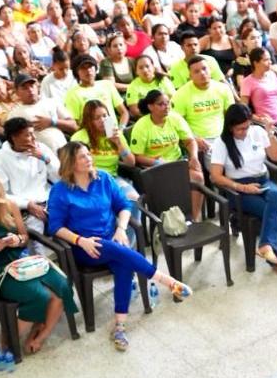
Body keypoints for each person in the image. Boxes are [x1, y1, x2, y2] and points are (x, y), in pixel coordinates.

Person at [48, 141, 192, 351]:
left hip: (112, 239)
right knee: (118, 252)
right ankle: (167, 281)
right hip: (84, 247)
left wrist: (121, 229)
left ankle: (120, 326)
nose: (89, 159)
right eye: (82, 156)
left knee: (123, 263)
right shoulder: (60, 191)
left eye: (88, 154)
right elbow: (55, 227)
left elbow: (124, 205)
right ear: (70, 162)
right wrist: (80, 241)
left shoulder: (103, 178)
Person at [0, 170, 76, 353]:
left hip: (24, 261)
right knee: (40, 296)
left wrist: (17, 240)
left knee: (63, 286)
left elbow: (25, 237)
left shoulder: (9, 206)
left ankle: (39, 336)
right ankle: (9, 342)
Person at [208, 104, 277, 272]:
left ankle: (266, 246)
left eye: (247, 127)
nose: (244, 132)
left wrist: (270, 132)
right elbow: (215, 176)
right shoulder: (221, 143)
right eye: (240, 129)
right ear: (230, 127)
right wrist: (243, 187)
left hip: (262, 180)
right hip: (237, 188)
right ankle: (276, 258)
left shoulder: (257, 132)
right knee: (269, 209)